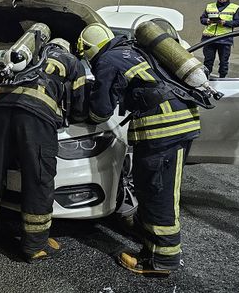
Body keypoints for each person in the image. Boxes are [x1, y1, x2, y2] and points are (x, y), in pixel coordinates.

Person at [79, 23, 201, 275]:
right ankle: (152, 247)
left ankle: (161, 261)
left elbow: (100, 109)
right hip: (178, 122)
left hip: (163, 129)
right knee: (153, 188)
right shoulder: (132, 50)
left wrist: (86, 114)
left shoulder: (107, 60)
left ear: (89, 50)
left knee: (159, 193)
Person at [0, 36, 87, 263]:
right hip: (35, 116)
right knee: (38, 178)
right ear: (67, 47)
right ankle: (34, 246)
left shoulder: (27, 56)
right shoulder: (71, 61)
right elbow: (80, 106)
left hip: (1, 109)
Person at [199, 0, 239, 78]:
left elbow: (238, 22)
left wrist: (225, 23)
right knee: (208, 61)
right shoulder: (210, 6)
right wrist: (207, 21)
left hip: (225, 39)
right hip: (209, 38)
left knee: (223, 62)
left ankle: (222, 79)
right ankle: (205, 80)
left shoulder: (235, 8)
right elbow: (202, 19)